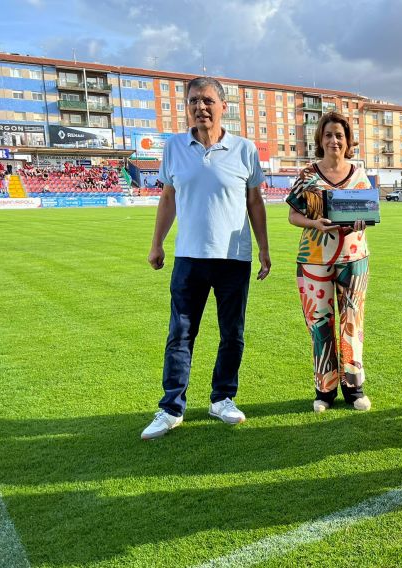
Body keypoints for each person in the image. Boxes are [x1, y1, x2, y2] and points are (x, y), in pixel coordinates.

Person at [141, 76, 270, 440]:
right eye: (194, 100)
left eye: (208, 100)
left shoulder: (245, 149)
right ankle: (171, 408)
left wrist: (263, 248)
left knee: (232, 333)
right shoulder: (174, 148)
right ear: (186, 107)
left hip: (233, 257)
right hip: (188, 258)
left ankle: (222, 398)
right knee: (180, 334)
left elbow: (255, 202)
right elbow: (167, 198)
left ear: (223, 106)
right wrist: (157, 244)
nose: (201, 107)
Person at [286, 111, 374, 413]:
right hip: (314, 259)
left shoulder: (359, 174)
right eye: (328, 135)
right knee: (320, 324)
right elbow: (293, 215)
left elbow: (368, 212)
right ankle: (324, 390)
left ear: (347, 140)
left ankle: (354, 388)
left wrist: (361, 222)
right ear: (319, 140)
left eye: (339, 135)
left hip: (354, 258)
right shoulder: (307, 175)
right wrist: (314, 225)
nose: (334, 140)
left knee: (352, 323)